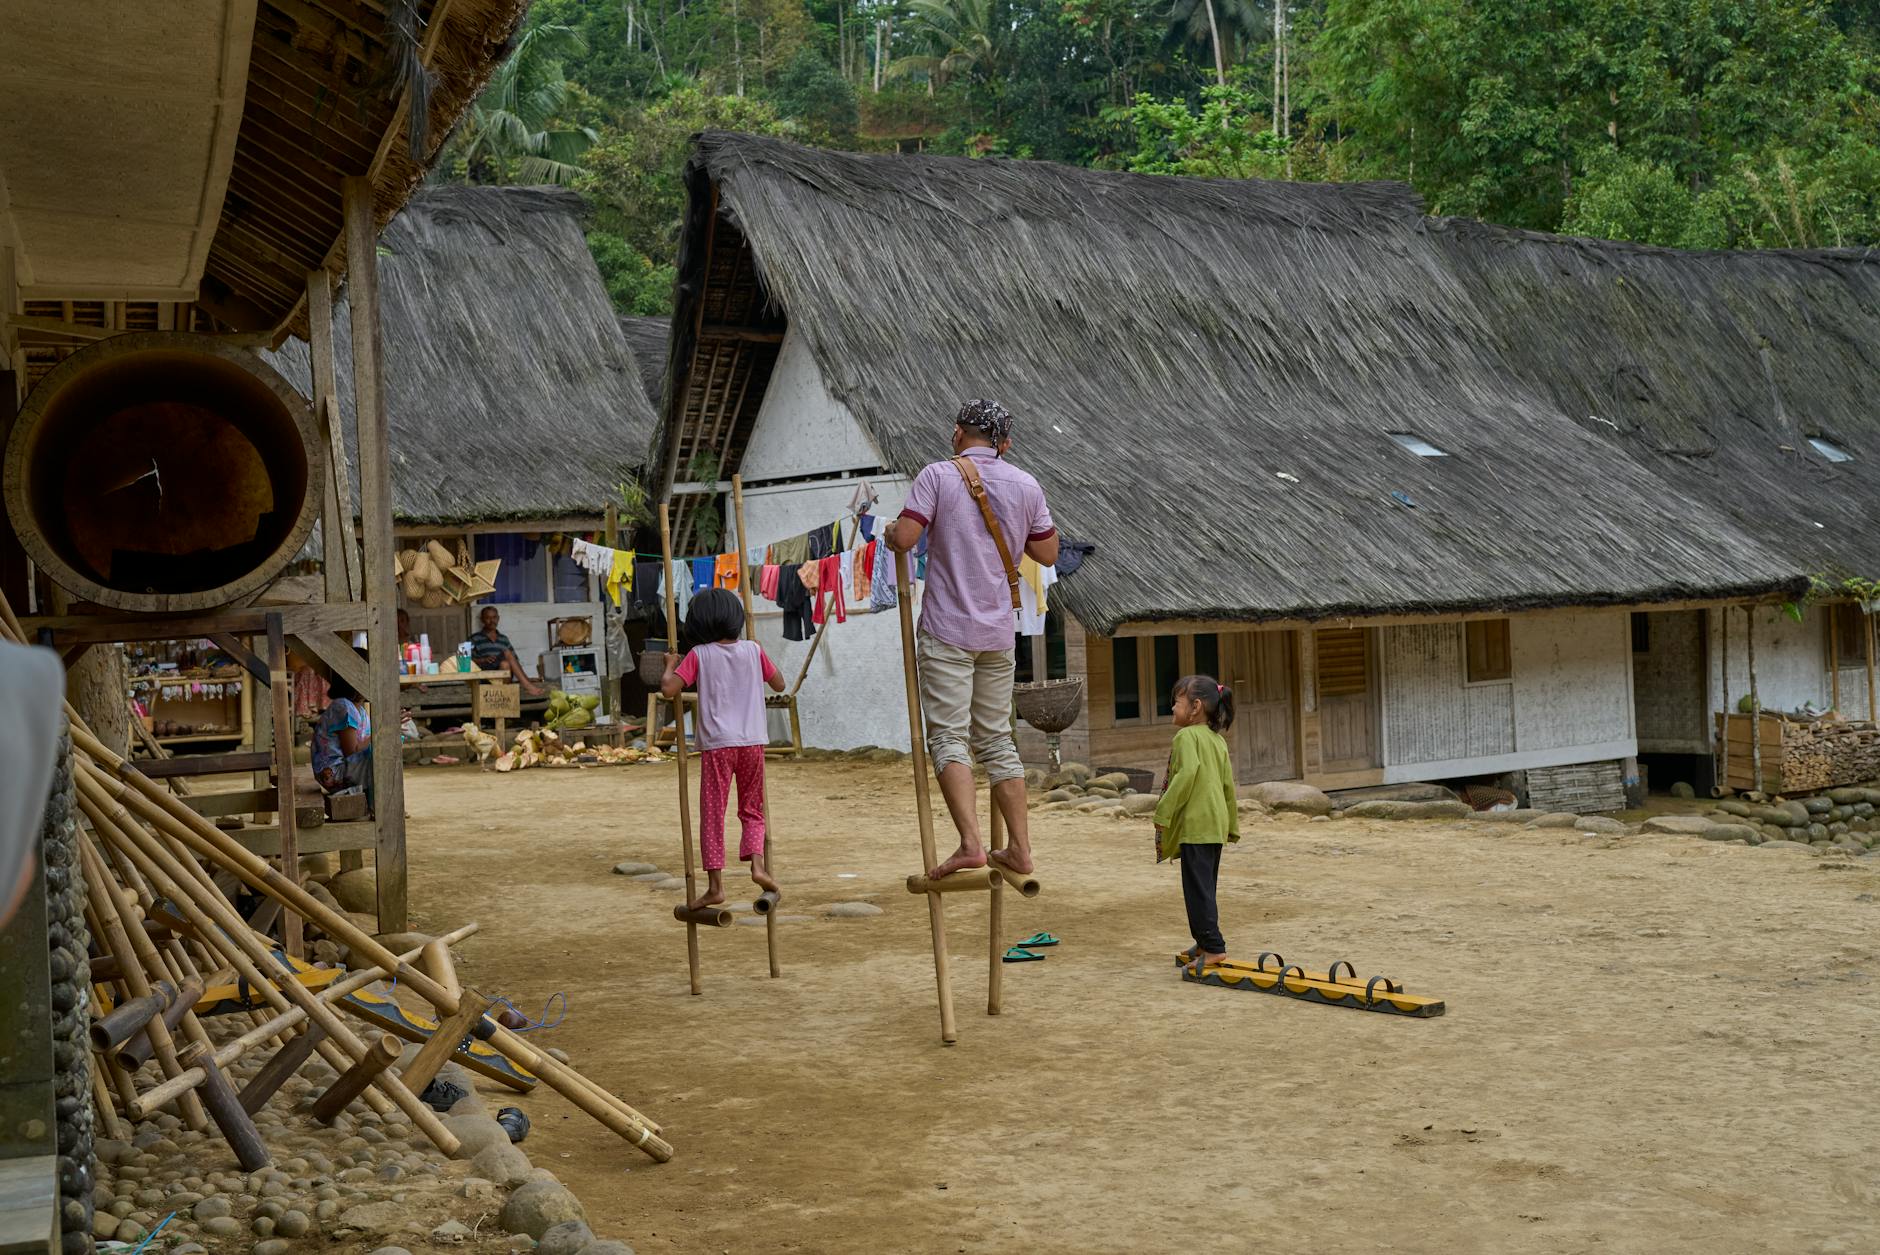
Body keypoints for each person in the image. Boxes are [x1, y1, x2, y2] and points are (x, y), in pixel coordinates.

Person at [885, 399, 1057, 880]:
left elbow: (906, 538)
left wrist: (891, 533)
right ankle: (1020, 850)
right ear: (1003, 443)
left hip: (947, 630)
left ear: (959, 433)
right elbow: (1046, 551)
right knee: (998, 741)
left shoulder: (937, 476)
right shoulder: (1026, 484)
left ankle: (971, 844)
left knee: (948, 738)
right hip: (999, 633)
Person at [660, 589, 785, 911]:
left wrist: (670, 664)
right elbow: (780, 684)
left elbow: (668, 689)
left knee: (713, 814)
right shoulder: (753, 650)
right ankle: (757, 866)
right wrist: (759, 658)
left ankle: (716, 886)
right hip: (752, 742)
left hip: (718, 746)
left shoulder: (699, 654)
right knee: (752, 810)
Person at [1153, 675, 1240, 972]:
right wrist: (1231, 825)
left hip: (1197, 824)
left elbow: (1186, 774)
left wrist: (1162, 812)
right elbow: (1228, 785)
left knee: (1197, 891)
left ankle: (1214, 947)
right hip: (1214, 824)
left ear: (1195, 707)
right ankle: (1204, 942)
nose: (1172, 707)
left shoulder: (1186, 738)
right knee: (1206, 887)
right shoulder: (1217, 740)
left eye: (1177, 702)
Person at [311, 671, 373, 803]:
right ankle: (380, 805)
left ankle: (381, 803)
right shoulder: (343, 706)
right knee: (383, 750)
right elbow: (352, 751)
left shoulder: (361, 710)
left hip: (346, 769)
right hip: (334, 774)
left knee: (391, 743)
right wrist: (382, 732)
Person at [465, 605, 544, 696]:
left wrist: (526, 678)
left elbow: (515, 661)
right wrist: (483, 660)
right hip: (485, 675)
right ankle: (527, 686)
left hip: (502, 676)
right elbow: (463, 662)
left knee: (505, 664)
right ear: (482, 620)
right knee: (506, 652)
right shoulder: (473, 638)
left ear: (498, 618)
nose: (492, 621)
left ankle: (503, 695)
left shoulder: (504, 639)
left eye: (494, 617)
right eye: (488, 618)